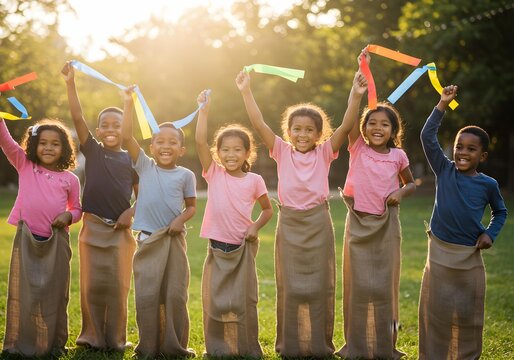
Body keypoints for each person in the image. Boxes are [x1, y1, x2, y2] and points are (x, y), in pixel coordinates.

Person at [236, 66, 368, 357]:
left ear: (319, 134)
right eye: (297, 129)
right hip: (290, 223)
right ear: (288, 132)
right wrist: (246, 91)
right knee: (291, 286)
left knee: (320, 286)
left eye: (309, 130)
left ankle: (319, 344)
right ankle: (291, 344)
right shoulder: (281, 150)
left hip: (318, 222)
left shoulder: (325, 152)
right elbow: (258, 125)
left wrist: (355, 96)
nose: (303, 134)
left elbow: (346, 126)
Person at [418, 85, 507, 359]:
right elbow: (427, 136)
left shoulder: (488, 184)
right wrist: (442, 104)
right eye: (459, 146)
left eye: (471, 149)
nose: (462, 152)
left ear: (483, 156)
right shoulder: (444, 170)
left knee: (467, 312)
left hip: (468, 254)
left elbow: (501, 212)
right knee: (436, 310)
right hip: (440, 253)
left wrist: (490, 234)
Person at [338, 51, 415, 360]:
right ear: (365, 127)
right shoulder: (356, 147)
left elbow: (410, 183)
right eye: (372, 123)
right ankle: (353, 345)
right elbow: (348, 122)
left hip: (387, 226)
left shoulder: (399, 156)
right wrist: (356, 91)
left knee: (385, 286)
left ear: (393, 130)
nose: (377, 128)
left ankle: (387, 345)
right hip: (358, 222)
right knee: (357, 286)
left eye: (384, 124)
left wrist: (402, 193)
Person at [62, 61, 138, 351]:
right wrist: (71, 83)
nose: (110, 129)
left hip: (120, 230)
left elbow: (141, 196)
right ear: (97, 130)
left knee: (118, 287)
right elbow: (77, 117)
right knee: (93, 286)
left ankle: (116, 339)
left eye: (116, 125)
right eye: (104, 125)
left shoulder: (131, 158)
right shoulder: (92, 150)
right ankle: (91, 337)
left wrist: (131, 212)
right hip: (93, 227)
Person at [195, 90, 273, 357]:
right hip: (217, 246)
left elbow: (267, 211)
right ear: (217, 153)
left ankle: (246, 347)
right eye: (225, 150)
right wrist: (203, 113)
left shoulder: (255, 181)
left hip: (242, 247)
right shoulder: (213, 173)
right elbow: (199, 142)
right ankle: (217, 348)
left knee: (242, 301)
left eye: (237, 149)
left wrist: (254, 227)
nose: (230, 154)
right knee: (216, 301)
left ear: (247, 152)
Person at [121, 86, 197, 358]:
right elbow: (126, 135)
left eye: (172, 142)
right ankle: (148, 347)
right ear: (151, 146)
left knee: (175, 295)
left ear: (181, 149)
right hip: (148, 240)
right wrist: (128, 103)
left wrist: (179, 220)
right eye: (159, 142)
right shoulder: (144, 165)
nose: (166, 146)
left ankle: (175, 345)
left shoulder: (186, 175)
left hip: (174, 240)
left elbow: (191, 208)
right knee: (147, 296)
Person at [0, 116, 81, 356]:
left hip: (56, 241)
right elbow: (5, 141)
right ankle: (19, 342)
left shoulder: (70, 179)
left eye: (55, 143)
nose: (48, 147)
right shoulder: (25, 165)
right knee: (24, 293)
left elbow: (77, 208)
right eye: (43, 142)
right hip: (26, 238)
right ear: (33, 145)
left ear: (64, 148)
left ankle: (55, 343)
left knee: (55, 294)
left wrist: (68, 217)